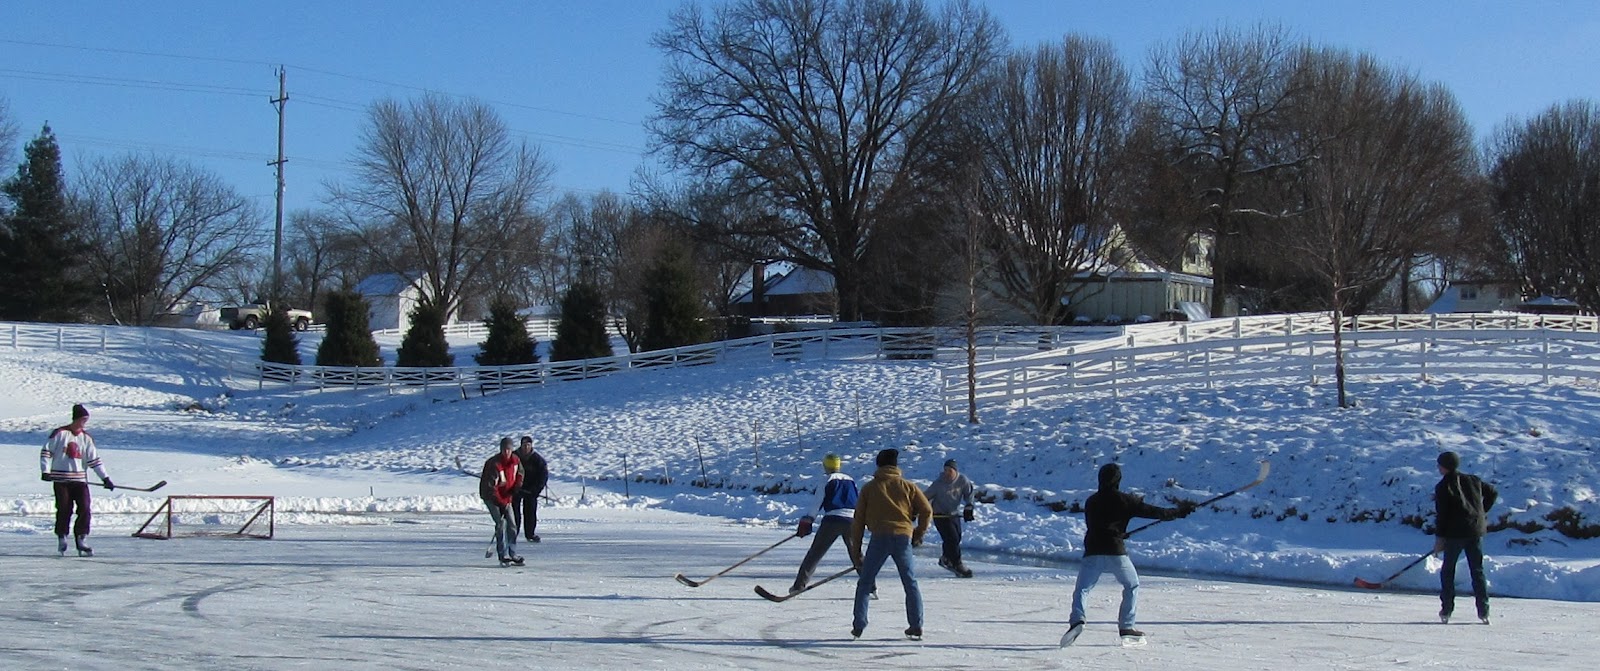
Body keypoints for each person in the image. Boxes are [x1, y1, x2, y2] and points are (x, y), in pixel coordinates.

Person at [1060, 463, 1191, 647]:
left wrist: (1119, 531)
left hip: (1093, 551)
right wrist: (1179, 512)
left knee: (1082, 589)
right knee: (1132, 585)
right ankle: (1126, 627)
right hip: (1115, 551)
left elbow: (1100, 525)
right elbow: (1155, 512)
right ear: (1118, 480)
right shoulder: (1125, 500)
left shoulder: (1091, 501)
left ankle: (1077, 620)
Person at [848, 448, 932, 640]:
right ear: (895, 466)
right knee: (910, 582)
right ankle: (916, 624)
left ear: (878, 465)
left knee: (865, 582)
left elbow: (858, 521)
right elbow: (927, 510)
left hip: (879, 538)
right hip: (903, 537)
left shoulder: (869, 488)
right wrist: (918, 532)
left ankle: (859, 624)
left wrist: (856, 550)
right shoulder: (908, 486)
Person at [1433, 450, 1498, 624]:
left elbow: (1442, 515)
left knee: (1448, 571)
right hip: (1475, 531)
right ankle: (1484, 610)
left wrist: (1439, 539)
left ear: (1444, 466)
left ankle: (1447, 609)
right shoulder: (1473, 480)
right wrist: (1481, 512)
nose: (1438, 467)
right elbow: (1492, 492)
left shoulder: (1443, 486)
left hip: (1455, 534)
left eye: (1439, 464)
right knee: (1477, 571)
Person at [40, 404, 113, 557]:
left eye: (86, 419)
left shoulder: (86, 438)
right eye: (83, 419)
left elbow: (94, 461)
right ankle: (62, 535)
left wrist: (105, 478)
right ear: (76, 418)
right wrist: (45, 471)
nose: (84, 422)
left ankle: (81, 538)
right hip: (61, 480)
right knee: (64, 508)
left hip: (80, 480)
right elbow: (46, 452)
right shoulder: (60, 434)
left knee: (85, 508)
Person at [790, 453, 859, 593]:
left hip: (832, 521)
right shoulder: (850, 480)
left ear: (825, 465)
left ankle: (798, 586)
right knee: (857, 554)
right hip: (852, 521)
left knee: (815, 554)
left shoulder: (826, 480)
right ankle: (871, 586)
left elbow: (818, 501)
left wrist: (808, 519)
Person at [924, 459, 976, 578]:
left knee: (956, 538)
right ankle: (957, 564)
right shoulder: (938, 483)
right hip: (940, 515)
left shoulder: (962, 480)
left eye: (949, 470)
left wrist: (969, 506)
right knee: (951, 539)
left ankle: (946, 558)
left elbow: (969, 494)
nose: (947, 473)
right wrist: (916, 509)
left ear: (955, 471)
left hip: (953, 514)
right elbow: (925, 497)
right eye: (945, 470)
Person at [479, 437, 525, 566]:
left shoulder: (515, 461)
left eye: (509, 449)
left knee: (512, 525)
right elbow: (490, 488)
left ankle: (513, 552)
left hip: (506, 496)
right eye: (504, 450)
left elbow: (520, 474)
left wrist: (516, 487)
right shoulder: (494, 464)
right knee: (500, 524)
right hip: (490, 497)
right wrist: (501, 502)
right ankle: (502, 554)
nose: (507, 452)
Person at [513, 435, 549, 543]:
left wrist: (536, 490)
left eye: (528, 445)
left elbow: (543, 476)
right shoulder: (514, 457)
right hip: (516, 489)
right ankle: (513, 533)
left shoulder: (538, 460)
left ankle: (530, 534)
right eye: (524, 445)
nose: (526, 447)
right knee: (514, 513)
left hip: (531, 491)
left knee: (530, 512)